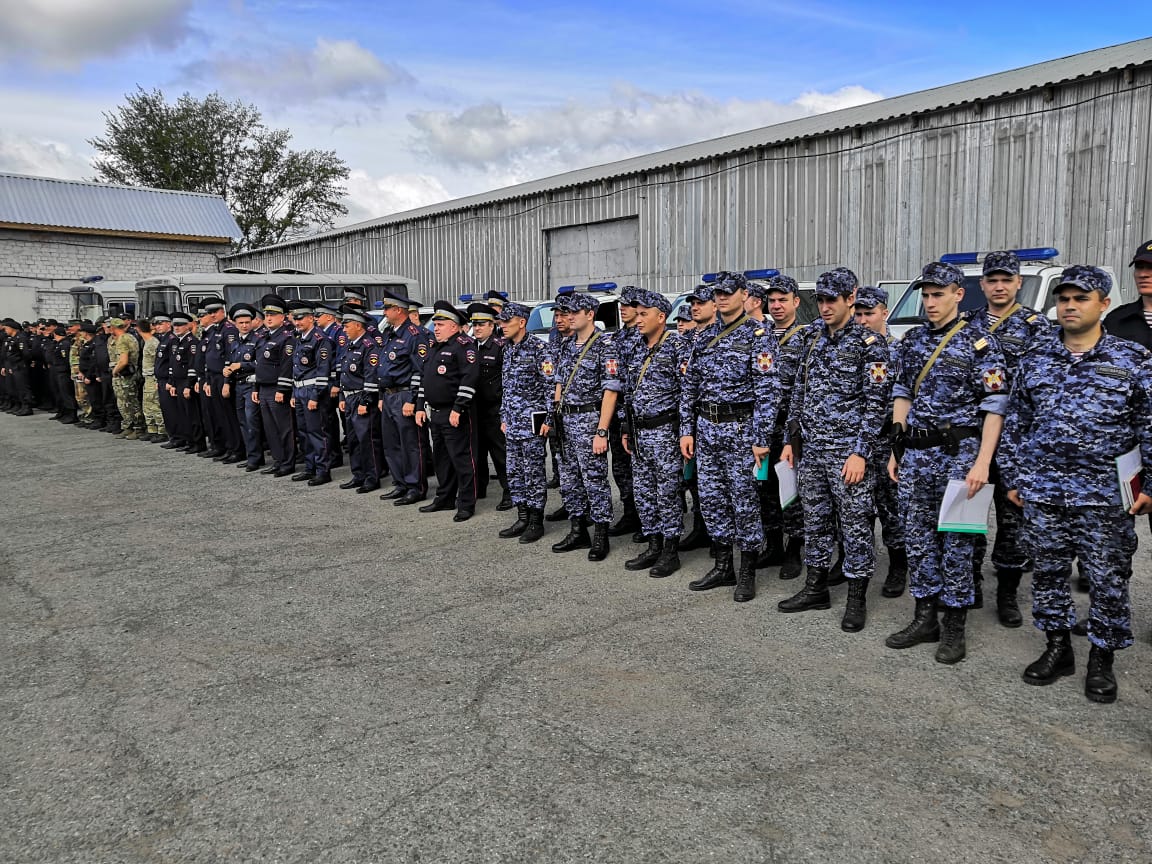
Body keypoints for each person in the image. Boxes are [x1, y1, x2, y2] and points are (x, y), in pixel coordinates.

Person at [999, 265, 1152, 703]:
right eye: (1064, 298)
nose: (1069, 305)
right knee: (1048, 573)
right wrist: (1013, 476)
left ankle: (1102, 659)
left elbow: (1149, 427)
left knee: (1107, 578)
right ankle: (1058, 648)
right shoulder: (1035, 360)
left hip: (1105, 495)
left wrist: (1151, 485)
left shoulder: (1133, 360)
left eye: (1080, 298)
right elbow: (1017, 423)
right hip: (1044, 492)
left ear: (1103, 304)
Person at [885, 261, 1009, 664]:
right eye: (926, 294)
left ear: (959, 294)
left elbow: (995, 407)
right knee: (918, 538)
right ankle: (925, 618)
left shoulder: (981, 344)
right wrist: (896, 445)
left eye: (938, 294)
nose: (930, 301)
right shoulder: (913, 341)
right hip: (918, 456)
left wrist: (983, 463)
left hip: (960, 458)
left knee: (958, 541)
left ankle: (954, 626)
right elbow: (902, 391)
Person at [777, 268, 891, 630]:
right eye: (821, 300)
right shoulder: (811, 337)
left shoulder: (870, 345)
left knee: (855, 525)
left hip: (848, 455)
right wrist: (789, 441)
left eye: (832, 300)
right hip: (811, 450)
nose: (825, 307)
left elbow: (877, 405)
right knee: (815, 521)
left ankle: (856, 598)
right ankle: (816, 587)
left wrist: (861, 452)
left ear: (850, 298)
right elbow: (799, 390)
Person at [679, 272, 780, 601]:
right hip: (707, 428)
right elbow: (690, 384)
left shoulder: (758, 335)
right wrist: (686, 429)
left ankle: (747, 571)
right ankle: (724, 566)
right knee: (711, 498)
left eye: (727, 293)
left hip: (740, 430)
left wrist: (762, 437)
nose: (721, 298)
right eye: (717, 294)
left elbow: (768, 391)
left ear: (743, 295)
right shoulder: (703, 335)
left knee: (744, 502)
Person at [965, 251, 1051, 626]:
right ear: (982, 284)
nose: (999, 286)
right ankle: (967, 583)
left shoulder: (1037, 327)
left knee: (1013, 521)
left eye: (1006, 280)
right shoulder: (966, 325)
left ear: (1019, 283)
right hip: (971, 437)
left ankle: (1007, 593)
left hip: (1018, 441)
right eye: (992, 280)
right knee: (968, 513)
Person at [619, 291, 689, 577]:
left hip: (664, 431)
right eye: (637, 313)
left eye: (644, 314)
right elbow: (627, 390)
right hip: (639, 431)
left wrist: (685, 432)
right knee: (645, 491)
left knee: (667, 492)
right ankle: (653, 544)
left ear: (661, 317)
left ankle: (670, 551)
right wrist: (625, 426)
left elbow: (687, 393)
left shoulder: (677, 346)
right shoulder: (636, 347)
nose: (638, 319)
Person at [550, 291, 624, 560]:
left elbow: (611, 391)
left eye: (573, 312)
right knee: (570, 479)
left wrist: (602, 430)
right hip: (566, 420)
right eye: (566, 312)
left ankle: (600, 533)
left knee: (594, 479)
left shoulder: (605, 346)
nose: (568, 317)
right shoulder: (567, 345)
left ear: (590, 314)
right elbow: (559, 381)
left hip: (590, 420)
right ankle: (578, 528)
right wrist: (555, 415)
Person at [852, 285, 908, 598]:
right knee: (856, 508)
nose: (862, 320)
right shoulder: (850, 347)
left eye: (869, 313)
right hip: (856, 440)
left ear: (884, 313)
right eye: (857, 313)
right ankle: (854, 560)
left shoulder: (898, 350)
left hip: (886, 440)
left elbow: (903, 397)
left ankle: (898, 564)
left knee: (891, 508)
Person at [415, 301, 480, 521]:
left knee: (462, 459)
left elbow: (469, 378)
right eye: (435, 324)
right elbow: (426, 379)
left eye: (441, 324)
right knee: (442, 459)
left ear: (454, 326)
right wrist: (420, 406)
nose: (436, 328)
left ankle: (466, 503)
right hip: (435, 412)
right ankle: (444, 498)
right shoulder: (435, 347)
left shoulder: (464, 346)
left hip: (455, 412)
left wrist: (458, 407)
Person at [762, 273, 807, 577]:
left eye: (782, 300)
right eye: (772, 300)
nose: (776, 306)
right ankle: (773, 545)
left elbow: (804, 387)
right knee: (764, 488)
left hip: (789, 427)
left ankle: (794, 549)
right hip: (762, 427)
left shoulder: (806, 337)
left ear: (796, 301)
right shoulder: (760, 335)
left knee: (791, 490)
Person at [496, 301, 552, 543]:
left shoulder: (540, 349)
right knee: (515, 471)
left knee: (533, 472)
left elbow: (551, 387)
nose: (502, 326)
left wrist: (549, 418)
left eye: (506, 321)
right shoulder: (507, 349)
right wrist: (503, 416)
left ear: (521, 322)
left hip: (532, 423)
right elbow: (506, 388)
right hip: (512, 423)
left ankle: (536, 521)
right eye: (501, 321)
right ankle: (522, 515)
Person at [375, 291, 433, 506]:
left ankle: (415, 486)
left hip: (405, 394)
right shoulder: (391, 333)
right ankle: (400, 482)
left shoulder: (413, 334)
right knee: (392, 443)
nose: (384, 313)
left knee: (411, 443)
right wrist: (382, 395)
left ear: (398, 310)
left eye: (387, 309)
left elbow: (420, 370)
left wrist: (414, 400)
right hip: (390, 395)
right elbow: (384, 366)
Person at [677, 285, 718, 552]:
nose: (694, 307)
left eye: (701, 302)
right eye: (693, 302)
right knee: (694, 480)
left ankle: (720, 538)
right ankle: (702, 528)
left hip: (717, 423)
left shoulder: (721, 338)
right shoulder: (685, 340)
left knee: (720, 485)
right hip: (689, 421)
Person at [337, 306, 386, 493]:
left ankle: (372, 477)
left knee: (367, 440)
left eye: (347, 325)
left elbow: (371, 376)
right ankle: (358, 475)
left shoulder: (369, 346)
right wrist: (342, 395)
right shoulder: (350, 345)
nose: (344, 329)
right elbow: (344, 374)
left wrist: (365, 401)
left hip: (361, 398)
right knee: (353, 441)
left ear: (358, 325)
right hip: (349, 398)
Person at [468, 302, 511, 510]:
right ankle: (480, 487)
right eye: (474, 325)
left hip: (494, 408)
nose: (477, 328)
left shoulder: (500, 347)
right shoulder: (469, 347)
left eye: (481, 324)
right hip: (475, 408)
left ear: (492, 325)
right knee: (478, 451)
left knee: (500, 453)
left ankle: (509, 491)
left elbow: (506, 380)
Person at [288, 300, 334, 486]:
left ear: (310, 318)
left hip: (312, 391)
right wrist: (293, 392)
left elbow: (323, 371)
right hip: (299, 389)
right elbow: (296, 368)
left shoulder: (320, 339)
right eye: (295, 319)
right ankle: (310, 467)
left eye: (301, 319)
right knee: (304, 432)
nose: (297, 322)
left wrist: (315, 396)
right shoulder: (299, 338)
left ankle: (323, 470)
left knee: (317, 432)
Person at [252, 295, 297, 476]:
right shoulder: (263, 337)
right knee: (270, 429)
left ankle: (287, 463)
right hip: (263, 388)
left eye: (273, 314)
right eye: (267, 314)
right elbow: (259, 365)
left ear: (283, 317)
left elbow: (287, 367)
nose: (269, 318)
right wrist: (256, 388)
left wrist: (282, 390)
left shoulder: (286, 338)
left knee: (284, 429)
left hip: (277, 389)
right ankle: (278, 461)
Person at [222, 303, 262, 469]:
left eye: (247, 322)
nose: (245, 325)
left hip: (251, 385)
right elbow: (229, 363)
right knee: (243, 423)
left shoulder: (258, 339)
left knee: (252, 422)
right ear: (234, 324)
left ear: (252, 322)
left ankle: (255, 458)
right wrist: (226, 381)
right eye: (241, 323)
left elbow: (261, 363)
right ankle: (250, 455)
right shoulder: (234, 342)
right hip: (238, 385)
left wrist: (242, 365)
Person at [108, 318, 144, 440]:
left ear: (113, 327)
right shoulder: (123, 338)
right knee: (123, 403)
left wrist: (114, 371)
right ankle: (128, 426)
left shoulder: (124, 339)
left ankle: (138, 427)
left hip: (125, 375)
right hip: (123, 374)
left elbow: (124, 361)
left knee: (130, 402)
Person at [137, 319, 165, 441]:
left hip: (153, 377)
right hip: (147, 377)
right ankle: (152, 429)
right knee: (147, 405)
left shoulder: (153, 343)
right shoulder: (147, 342)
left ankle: (161, 431)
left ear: (138, 329)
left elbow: (159, 362)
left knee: (155, 405)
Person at [1, 317, 36, 416]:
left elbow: (25, 354)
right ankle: (21, 405)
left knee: (23, 387)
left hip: (20, 366)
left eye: (7, 328)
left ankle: (27, 406)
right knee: (17, 387)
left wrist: (22, 363)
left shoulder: (21, 338)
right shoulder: (13, 339)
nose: (5, 331)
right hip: (14, 365)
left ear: (13, 328)